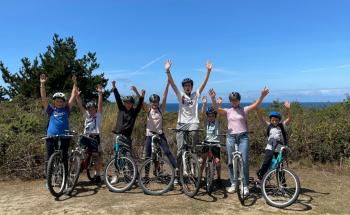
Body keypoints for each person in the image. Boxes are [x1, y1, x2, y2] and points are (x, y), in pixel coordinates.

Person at [209, 87, 269, 195]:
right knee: (231, 162)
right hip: (231, 137)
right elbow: (216, 109)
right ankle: (233, 183)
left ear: (239, 100)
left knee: (244, 161)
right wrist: (213, 98)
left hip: (243, 137)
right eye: (232, 100)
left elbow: (256, 105)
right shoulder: (228, 111)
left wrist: (262, 96)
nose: (234, 101)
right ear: (230, 101)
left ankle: (245, 185)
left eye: (236, 100)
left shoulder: (244, 110)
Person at [165, 59, 213, 181]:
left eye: (189, 85)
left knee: (194, 135)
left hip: (192, 122)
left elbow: (204, 83)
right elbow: (172, 83)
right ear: (184, 87)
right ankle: (178, 174)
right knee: (180, 150)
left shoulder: (196, 94)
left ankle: (195, 156)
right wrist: (167, 71)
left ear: (191, 87)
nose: (187, 87)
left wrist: (208, 71)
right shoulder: (180, 95)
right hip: (181, 123)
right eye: (185, 86)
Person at [40, 73, 76, 177]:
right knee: (49, 157)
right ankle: (49, 177)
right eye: (57, 101)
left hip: (65, 136)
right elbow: (43, 98)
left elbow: (73, 96)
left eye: (61, 101)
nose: (59, 102)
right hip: (51, 136)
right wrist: (42, 84)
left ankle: (64, 177)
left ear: (63, 102)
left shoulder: (66, 109)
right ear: (54, 102)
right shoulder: (50, 109)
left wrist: (75, 83)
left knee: (64, 156)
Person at [141, 80, 177, 169]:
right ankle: (146, 175)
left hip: (160, 134)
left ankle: (176, 169)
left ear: (158, 102)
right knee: (147, 155)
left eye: (156, 102)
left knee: (167, 152)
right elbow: (142, 103)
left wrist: (167, 86)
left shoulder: (161, 110)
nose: (154, 103)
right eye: (153, 102)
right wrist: (140, 95)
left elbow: (164, 98)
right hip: (149, 135)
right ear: (151, 103)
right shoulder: (148, 110)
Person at [256, 101, 292, 183]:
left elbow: (289, 118)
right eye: (273, 120)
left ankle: (283, 184)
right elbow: (261, 118)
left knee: (280, 166)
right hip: (270, 146)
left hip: (279, 147)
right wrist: (257, 108)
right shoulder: (268, 126)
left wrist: (288, 109)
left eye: (276, 120)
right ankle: (260, 177)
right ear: (270, 120)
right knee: (266, 161)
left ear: (279, 120)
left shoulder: (282, 126)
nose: (275, 122)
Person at [75, 84, 104, 184]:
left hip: (95, 137)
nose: (91, 110)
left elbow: (100, 104)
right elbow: (80, 106)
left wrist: (100, 93)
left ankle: (98, 175)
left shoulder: (98, 115)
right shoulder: (86, 115)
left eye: (93, 109)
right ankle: (80, 166)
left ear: (95, 109)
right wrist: (77, 96)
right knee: (79, 153)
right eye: (89, 109)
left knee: (96, 156)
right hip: (85, 137)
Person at [111, 80, 145, 151]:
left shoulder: (134, 112)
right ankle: (116, 160)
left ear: (132, 104)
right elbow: (118, 98)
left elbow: (139, 105)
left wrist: (142, 96)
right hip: (118, 135)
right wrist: (114, 87)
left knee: (128, 154)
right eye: (126, 103)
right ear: (124, 103)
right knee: (116, 153)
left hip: (127, 137)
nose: (128, 105)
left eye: (130, 103)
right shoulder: (121, 109)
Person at [199, 96, 224, 187]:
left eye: (212, 116)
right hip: (206, 142)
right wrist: (204, 104)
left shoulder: (217, 121)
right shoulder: (206, 121)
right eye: (209, 116)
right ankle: (200, 177)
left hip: (215, 143)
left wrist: (219, 104)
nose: (211, 117)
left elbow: (219, 112)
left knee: (217, 162)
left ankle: (219, 178)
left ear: (215, 116)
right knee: (202, 160)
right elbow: (202, 114)